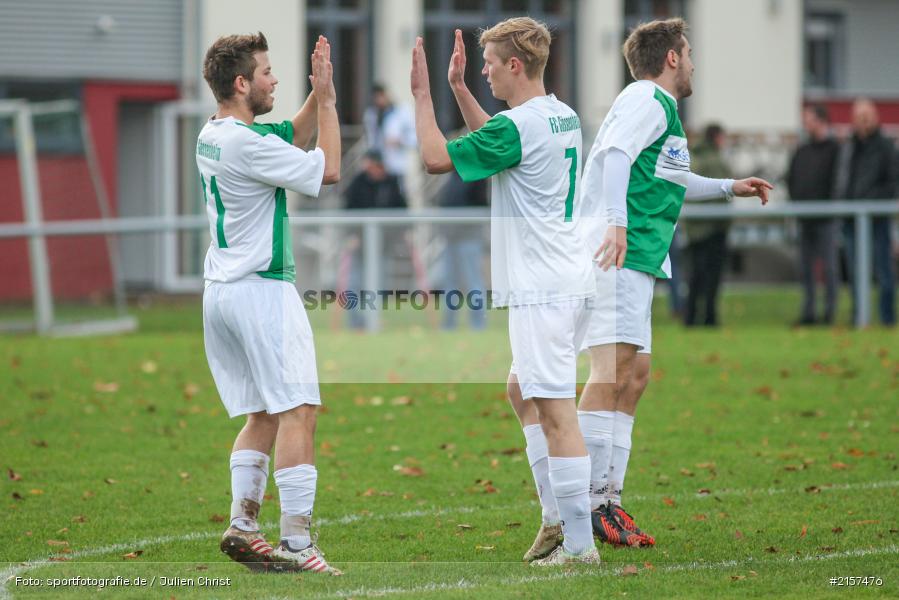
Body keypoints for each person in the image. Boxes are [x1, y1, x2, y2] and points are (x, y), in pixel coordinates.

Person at [577, 18, 773, 548]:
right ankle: (588, 506)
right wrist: (616, 224)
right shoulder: (645, 99)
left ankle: (608, 500)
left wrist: (731, 186)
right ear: (670, 59)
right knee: (612, 369)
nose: (692, 62)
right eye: (687, 53)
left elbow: (671, 177)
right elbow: (616, 155)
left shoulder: (657, 107)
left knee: (634, 374)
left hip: (638, 256)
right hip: (617, 251)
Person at [412, 20, 600, 565]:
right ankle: (554, 519)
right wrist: (461, 90)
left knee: (556, 411)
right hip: (567, 279)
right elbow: (500, 142)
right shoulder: (559, 113)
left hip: (543, 287)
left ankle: (580, 545)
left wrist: (424, 95)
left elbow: (434, 158)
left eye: (489, 63)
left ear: (515, 65)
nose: (485, 70)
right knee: (522, 392)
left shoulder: (519, 127)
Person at [197, 32, 342, 575]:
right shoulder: (247, 144)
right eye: (265, 72)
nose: (274, 79)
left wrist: (316, 89)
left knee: (262, 412)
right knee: (298, 410)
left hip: (222, 292)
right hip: (261, 290)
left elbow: (291, 133)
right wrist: (327, 102)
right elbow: (326, 169)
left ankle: (243, 524)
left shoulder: (216, 134)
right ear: (241, 83)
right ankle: (298, 544)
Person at [834, 99, 897, 326]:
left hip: (876, 218)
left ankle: (887, 319)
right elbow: (842, 179)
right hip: (851, 220)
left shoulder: (886, 147)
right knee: (855, 272)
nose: (863, 120)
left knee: (883, 271)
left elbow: (892, 182)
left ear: (876, 117)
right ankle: (859, 317)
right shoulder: (849, 147)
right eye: (859, 116)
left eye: (867, 115)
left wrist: (869, 203)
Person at [786, 105, 840, 326]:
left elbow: (838, 182)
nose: (804, 124)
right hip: (805, 218)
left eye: (807, 119)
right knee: (806, 269)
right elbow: (792, 178)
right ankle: (809, 313)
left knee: (829, 267)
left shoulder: (836, 150)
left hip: (827, 219)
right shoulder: (802, 151)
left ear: (820, 120)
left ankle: (829, 313)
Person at [341, 150, 406, 329]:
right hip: (360, 245)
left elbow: (401, 209)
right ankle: (355, 323)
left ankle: (373, 322)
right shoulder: (358, 182)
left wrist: (400, 235)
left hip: (383, 245)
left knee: (378, 285)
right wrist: (352, 235)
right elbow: (347, 209)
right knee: (354, 283)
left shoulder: (392, 182)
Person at [684, 123, 733, 327]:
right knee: (712, 277)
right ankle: (709, 318)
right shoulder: (716, 161)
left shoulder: (692, 157)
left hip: (694, 229)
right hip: (713, 229)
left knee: (695, 276)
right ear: (716, 138)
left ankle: (691, 317)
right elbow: (722, 198)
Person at [437, 172, 488, 330]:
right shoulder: (452, 176)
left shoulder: (476, 174)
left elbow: (480, 203)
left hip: (469, 237)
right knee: (450, 282)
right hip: (451, 237)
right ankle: (449, 325)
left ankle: (478, 325)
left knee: (473, 282)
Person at [363, 83, 418, 193]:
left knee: (398, 196)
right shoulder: (371, 115)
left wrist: (400, 141)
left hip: (397, 167)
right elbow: (371, 142)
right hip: (379, 168)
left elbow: (415, 139)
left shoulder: (403, 111)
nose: (378, 101)